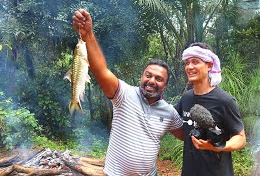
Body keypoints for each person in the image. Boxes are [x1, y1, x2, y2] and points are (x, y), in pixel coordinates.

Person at [72, 9, 183, 176]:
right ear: (142, 76)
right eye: (148, 75)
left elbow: (186, 136)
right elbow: (101, 70)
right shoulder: (123, 94)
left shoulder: (169, 112)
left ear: (165, 86)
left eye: (159, 79)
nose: (152, 80)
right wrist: (88, 34)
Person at [174, 42, 246, 176]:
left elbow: (241, 139)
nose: (189, 67)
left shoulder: (225, 101)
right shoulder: (186, 98)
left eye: (195, 62)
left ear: (209, 65)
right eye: (187, 62)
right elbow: (177, 126)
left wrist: (218, 147)